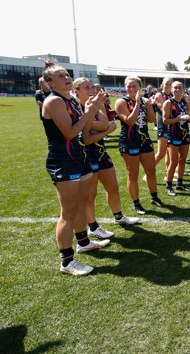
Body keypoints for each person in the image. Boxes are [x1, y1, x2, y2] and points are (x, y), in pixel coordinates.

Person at [41, 61, 109, 276]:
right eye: (60, 76)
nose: (66, 77)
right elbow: (70, 133)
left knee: (81, 204)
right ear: (50, 83)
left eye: (66, 74)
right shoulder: (54, 102)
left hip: (81, 158)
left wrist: (94, 110)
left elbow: (84, 131)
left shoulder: (70, 100)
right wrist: (89, 112)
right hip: (63, 161)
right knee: (68, 213)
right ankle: (67, 261)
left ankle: (84, 242)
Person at [73, 77, 139, 238]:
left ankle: (118, 217)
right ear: (77, 91)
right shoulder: (75, 108)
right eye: (86, 87)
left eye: (91, 87)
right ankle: (93, 227)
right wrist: (107, 130)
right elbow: (88, 136)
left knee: (113, 187)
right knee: (91, 194)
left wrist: (93, 121)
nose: (91, 90)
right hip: (85, 155)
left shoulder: (98, 103)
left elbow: (102, 123)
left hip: (100, 151)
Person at [115, 76, 166, 214]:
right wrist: (137, 103)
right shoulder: (121, 102)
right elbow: (130, 121)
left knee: (151, 171)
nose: (131, 89)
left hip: (144, 140)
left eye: (134, 86)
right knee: (133, 174)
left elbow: (151, 119)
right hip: (129, 141)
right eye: (128, 87)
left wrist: (149, 105)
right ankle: (136, 203)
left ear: (140, 87)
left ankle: (154, 197)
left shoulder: (144, 101)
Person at [163, 81, 190, 196]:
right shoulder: (168, 103)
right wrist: (180, 118)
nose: (177, 90)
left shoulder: (185, 102)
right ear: (171, 90)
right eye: (175, 88)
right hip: (173, 134)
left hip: (184, 133)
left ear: (183, 90)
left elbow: (186, 117)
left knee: (182, 160)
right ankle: (168, 186)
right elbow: (165, 121)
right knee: (173, 162)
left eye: (179, 88)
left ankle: (180, 183)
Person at [153, 77, 173, 179]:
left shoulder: (172, 96)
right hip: (163, 126)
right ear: (162, 84)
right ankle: (149, 173)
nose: (168, 86)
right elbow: (162, 108)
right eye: (166, 84)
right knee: (161, 153)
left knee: (170, 153)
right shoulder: (159, 95)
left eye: (170, 84)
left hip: (172, 126)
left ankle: (168, 174)